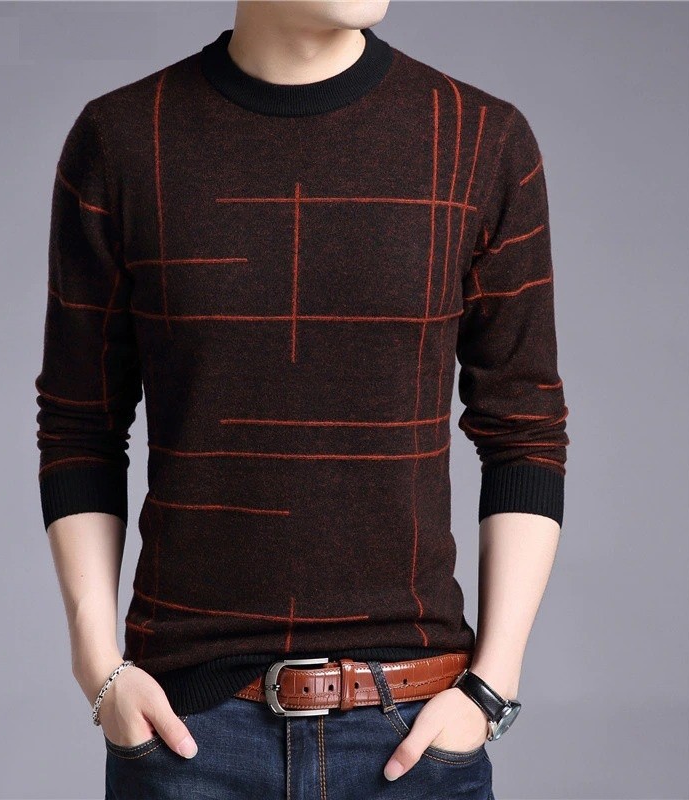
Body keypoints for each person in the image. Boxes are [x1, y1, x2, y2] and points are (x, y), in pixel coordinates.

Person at [34, 1, 569, 798]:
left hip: (412, 733)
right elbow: (80, 424)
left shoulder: (480, 140)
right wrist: (99, 668)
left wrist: (491, 688)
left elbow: (525, 431)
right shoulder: (122, 140)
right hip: (188, 734)